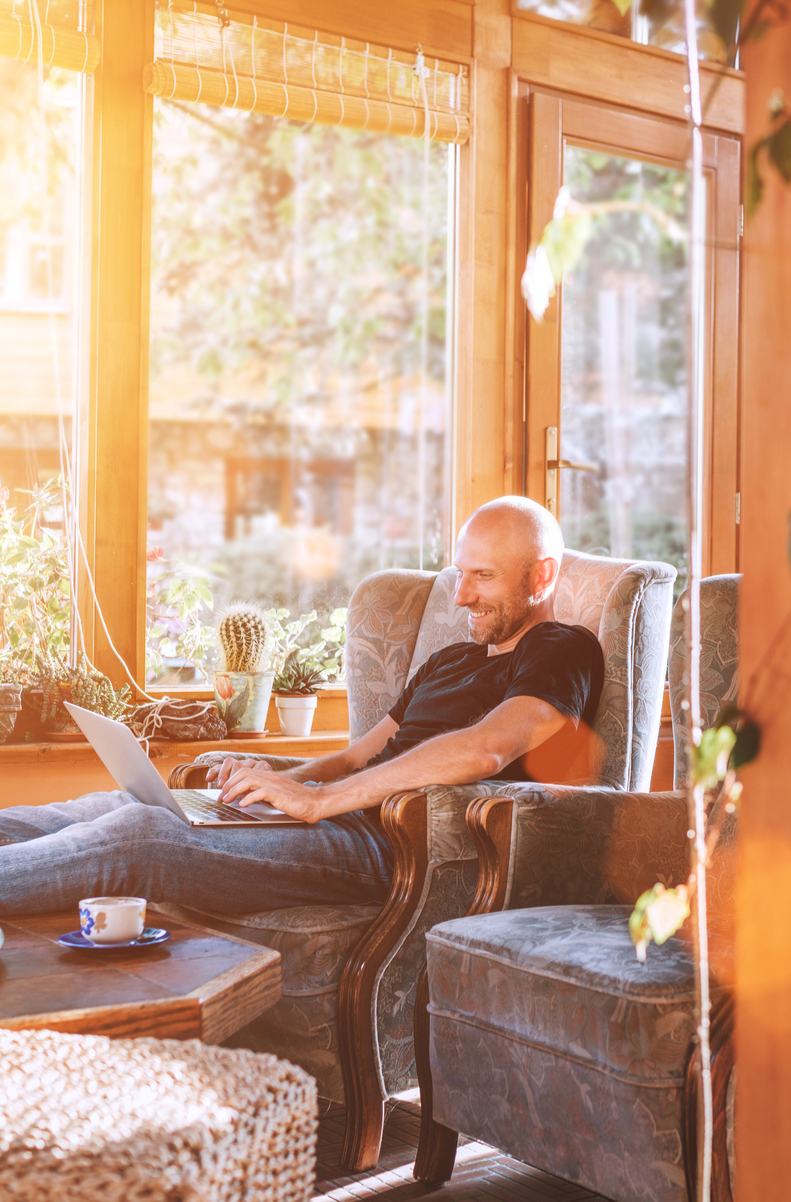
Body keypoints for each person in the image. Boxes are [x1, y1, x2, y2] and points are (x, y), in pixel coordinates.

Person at [0, 497, 603, 916]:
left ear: (541, 575)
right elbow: (357, 755)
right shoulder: (454, 659)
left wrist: (317, 803)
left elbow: (488, 747)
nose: (463, 594)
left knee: (139, 834)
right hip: (335, 821)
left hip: (386, 849)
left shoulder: (562, 648)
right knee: (120, 802)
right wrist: (276, 781)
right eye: (461, 574)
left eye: (485, 577)